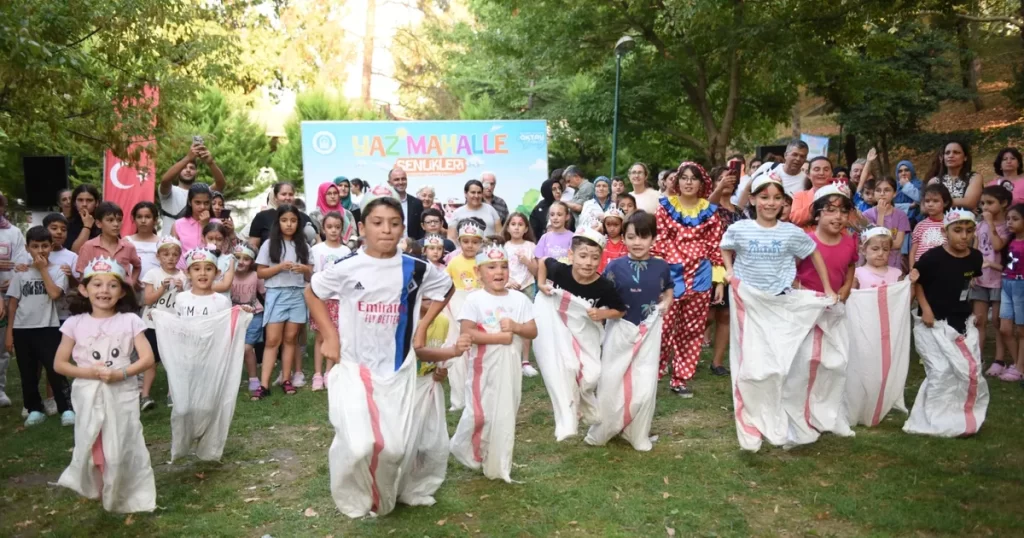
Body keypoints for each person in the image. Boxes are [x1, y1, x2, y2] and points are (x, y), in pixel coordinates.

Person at [306, 193, 454, 518]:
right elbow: (312, 292)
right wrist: (330, 336)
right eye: (377, 223)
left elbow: (447, 289)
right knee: (361, 444)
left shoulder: (416, 268)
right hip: (355, 368)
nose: (386, 230)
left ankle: (387, 494)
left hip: (398, 370)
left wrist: (422, 326)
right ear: (362, 227)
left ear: (403, 228)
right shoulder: (347, 267)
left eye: (394, 223)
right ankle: (355, 495)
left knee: (394, 448)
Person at [53, 257, 156, 513]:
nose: (104, 291)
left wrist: (121, 373)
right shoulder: (74, 324)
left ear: (121, 291)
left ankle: (126, 487)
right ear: (85, 289)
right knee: (92, 439)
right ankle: (102, 486)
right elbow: (60, 364)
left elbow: (147, 358)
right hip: (88, 392)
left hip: (121, 391)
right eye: (97, 284)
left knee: (122, 440)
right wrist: (89, 372)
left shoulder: (130, 321)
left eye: (112, 286)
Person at [452, 245, 537, 482]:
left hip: (509, 370)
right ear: (478, 273)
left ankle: (497, 463)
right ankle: (464, 446)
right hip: (483, 368)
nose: (499, 272)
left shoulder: (519, 299)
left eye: (504, 266)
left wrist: (516, 327)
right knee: (479, 414)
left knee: (504, 415)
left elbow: (532, 331)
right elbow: (467, 333)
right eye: (491, 267)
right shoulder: (474, 300)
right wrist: (499, 338)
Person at [652, 163, 726, 397]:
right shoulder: (665, 207)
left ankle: (680, 379)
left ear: (702, 183)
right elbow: (659, 241)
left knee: (692, 329)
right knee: (662, 327)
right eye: (683, 178)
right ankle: (654, 373)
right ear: (676, 182)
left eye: (693, 178)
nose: (688, 182)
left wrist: (720, 281)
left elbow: (716, 246)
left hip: (700, 276)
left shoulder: (710, 211)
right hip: (671, 275)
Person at [720, 174, 837, 299]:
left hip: (780, 295)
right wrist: (729, 269)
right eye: (764, 198)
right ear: (752, 199)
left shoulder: (791, 232)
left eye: (777, 198)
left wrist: (827, 288)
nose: (771, 203)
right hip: (745, 296)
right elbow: (725, 246)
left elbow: (813, 251)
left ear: (783, 201)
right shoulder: (739, 228)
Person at [6, 226, 72, 426]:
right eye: (35, 246)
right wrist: (9, 332)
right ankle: (34, 408)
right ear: (27, 248)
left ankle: (66, 408)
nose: (40, 250)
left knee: (55, 369)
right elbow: (13, 303)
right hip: (22, 329)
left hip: (48, 327)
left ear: (51, 247)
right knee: (27, 372)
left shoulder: (58, 272)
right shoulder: (20, 273)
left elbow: (54, 294)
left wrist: (43, 269)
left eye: (44, 246)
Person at [253, 205, 312, 399]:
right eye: (285, 220)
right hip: (276, 294)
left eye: (293, 221)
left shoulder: (304, 246)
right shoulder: (269, 244)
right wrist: (279, 267)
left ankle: (287, 379)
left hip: (297, 294)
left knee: (290, 339)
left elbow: (312, 275)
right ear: (278, 222)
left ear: (298, 223)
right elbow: (260, 272)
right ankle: (264, 385)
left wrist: (304, 269)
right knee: (272, 340)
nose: (289, 224)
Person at [913, 208, 982, 335]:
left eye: (969, 231)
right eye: (957, 230)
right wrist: (926, 309)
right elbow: (918, 283)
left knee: (960, 353)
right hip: (934, 316)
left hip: (960, 314)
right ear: (944, 232)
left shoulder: (976, 257)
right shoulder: (932, 257)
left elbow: (970, 279)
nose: (964, 236)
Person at [537, 227, 627, 318]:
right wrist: (541, 284)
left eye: (595, 258)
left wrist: (602, 313)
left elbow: (620, 311)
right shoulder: (560, 271)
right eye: (583, 256)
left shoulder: (605, 286)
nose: (589, 263)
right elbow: (543, 261)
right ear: (571, 255)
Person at [139, 236, 186, 410]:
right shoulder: (152, 274)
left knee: (172, 360)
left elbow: (186, 301)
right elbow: (147, 299)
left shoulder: (183, 276)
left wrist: (181, 289)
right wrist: (162, 288)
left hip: (173, 325)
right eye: (166, 254)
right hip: (152, 325)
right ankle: (145, 396)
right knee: (151, 361)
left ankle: (171, 393)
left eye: (175, 254)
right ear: (158, 256)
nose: (171, 258)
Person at [604, 210, 673, 328]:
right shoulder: (614, 267)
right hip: (618, 330)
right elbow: (602, 294)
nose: (637, 242)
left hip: (650, 330)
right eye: (631, 237)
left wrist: (667, 302)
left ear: (653, 239)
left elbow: (669, 288)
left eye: (643, 237)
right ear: (623, 238)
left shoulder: (662, 266)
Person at [707, 167, 745, 376]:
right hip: (710, 265)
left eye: (729, 179)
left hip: (734, 267)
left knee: (726, 315)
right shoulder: (707, 206)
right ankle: (684, 355)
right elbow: (709, 206)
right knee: (707, 316)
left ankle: (717, 362)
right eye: (720, 179)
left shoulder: (739, 212)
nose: (726, 182)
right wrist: (719, 188)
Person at [309, 212, 352, 392]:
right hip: (321, 298)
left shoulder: (347, 251)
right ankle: (317, 373)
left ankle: (329, 372)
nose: (333, 231)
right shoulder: (316, 250)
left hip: (339, 299)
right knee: (320, 336)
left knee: (334, 335)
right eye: (330, 227)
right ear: (323, 228)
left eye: (337, 227)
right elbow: (313, 273)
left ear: (342, 229)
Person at [795, 184, 858, 301]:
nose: (838, 216)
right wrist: (805, 292)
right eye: (831, 210)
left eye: (844, 211)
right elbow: (788, 273)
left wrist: (847, 286)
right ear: (817, 215)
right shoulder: (804, 242)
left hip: (835, 306)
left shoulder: (849, 242)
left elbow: (850, 264)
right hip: (806, 306)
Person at [973, 187, 1012, 375]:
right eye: (982, 203)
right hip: (980, 279)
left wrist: (990, 223)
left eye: (989, 203)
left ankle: (999, 360)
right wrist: (971, 272)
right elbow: (974, 250)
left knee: (997, 322)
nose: (985, 207)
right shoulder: (979, 225)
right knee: (979, 321)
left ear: (1003, 203)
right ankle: (977, 358)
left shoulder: (1008, 226)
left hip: (998, 280)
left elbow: (997, 246)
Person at [158, 141, 226, 233]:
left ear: (196, 172)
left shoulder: (203, 193)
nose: (188, 170)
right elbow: (165, 180)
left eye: (192, 168)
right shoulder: (170, 191)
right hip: (170, 243)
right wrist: (188, 157)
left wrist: (210, 163)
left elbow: (220, 184)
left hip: (194, 243)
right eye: (184, 167)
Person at [503, 212, 539, 377]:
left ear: (525, 228)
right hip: (509, 287)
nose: (516, 227)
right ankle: (509, 358)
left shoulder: (531, 246)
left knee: (526, 324)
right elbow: (500, 269)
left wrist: (527, 261)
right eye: (513, 224)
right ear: (508, 227)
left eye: (520, 224)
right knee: (508, 321)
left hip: (527, 287)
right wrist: (508, 280)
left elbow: (536, 271)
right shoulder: (504, 247)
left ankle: (525, 361)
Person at [74, 202, 142, 288]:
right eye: (110, 220)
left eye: (119, 220)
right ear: (98, 223)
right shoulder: (89, 246)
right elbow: (82, 275)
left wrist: (131, 283)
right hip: (99, 296)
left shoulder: (128, 247)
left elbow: (137, 266)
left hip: (123, 296)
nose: (116, 224)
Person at [231, 244, 265, 397]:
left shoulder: (255, 276)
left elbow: (265, 294)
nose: (241, 262)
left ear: (252, 261)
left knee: (246, 347)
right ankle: (234, 379)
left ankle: (253, 377)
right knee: (234, 348)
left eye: (246, 259)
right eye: (237, 258)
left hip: (254, 314)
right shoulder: (228, 275)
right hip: (233, 315)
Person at [247, 182, 317, 249]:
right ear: (275, 198)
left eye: (290, 194)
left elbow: (317, 243)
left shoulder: (304, 217)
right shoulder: (262, 217)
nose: (287, 198)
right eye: (283, 194)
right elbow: (252, 246)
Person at [863, 177, 911, 269]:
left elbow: (898, 244)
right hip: (872, 265)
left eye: (887, 190)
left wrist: (881, 244)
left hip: (894, 265)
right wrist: (881, 215)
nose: (882, 194)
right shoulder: (867, 215)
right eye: (878, 190)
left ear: (894, 193)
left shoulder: (901, 215)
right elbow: (875, 242)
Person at [787, 156, 843, 232]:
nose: (821, 173)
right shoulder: (800, 195)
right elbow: (795, 218)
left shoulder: (840, 195)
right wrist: (819, 203)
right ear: (808, 174)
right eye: (817, 169)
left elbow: (849, 220)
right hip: (807, 240)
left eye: (826, 170)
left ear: (831, 174)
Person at [170, 184, 217, 268]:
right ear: (189, 202)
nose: (202, 207)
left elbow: (218, 250)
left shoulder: (217, 223)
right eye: (197, 202)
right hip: (183, 274)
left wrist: (206, 226)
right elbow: (172, 253)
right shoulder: (178, 224)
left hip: (209, 273)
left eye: (206, 203)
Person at [927, 140, 983, 210]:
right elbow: (925, 207)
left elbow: (970, 202)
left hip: (968, 219)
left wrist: (937, 202)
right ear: (943, 158)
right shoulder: (934, 181)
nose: (951, 155)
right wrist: (960, 201)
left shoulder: (974, 177)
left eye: (956, 152)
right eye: (947, 153)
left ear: (965, 157)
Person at [909, 184, 954, 270]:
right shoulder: (920, 226)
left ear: (945, 203)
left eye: (935, 201)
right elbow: (913, 251)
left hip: (943, 270)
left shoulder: (951, 225)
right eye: (927, 201)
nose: (930, 204)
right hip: (921, 270)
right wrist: (912, 268)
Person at [744, 139, 810, 197]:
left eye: (802, 156)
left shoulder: (806, 181)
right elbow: (747, 189)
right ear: (785, 155)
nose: (798, 159)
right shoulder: (768, 167)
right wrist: (740, 210)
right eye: (795, 155)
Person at [310, 182, 357, 248]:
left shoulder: (347, 214)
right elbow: (315, 239)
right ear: (322, 195)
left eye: (335, 193)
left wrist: (346, 248)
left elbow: (354, 236)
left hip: (347, 251)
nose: (332, 196)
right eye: (329, 193)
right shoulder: (315, 215)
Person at [448, 220, 485, 292]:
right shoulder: (454, 262)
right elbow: (443, 281)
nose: (470, 246)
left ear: (481, 243)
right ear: (459, 242)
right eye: (465, 241)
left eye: (475, 242)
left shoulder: (485, 262)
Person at [387, 167, 425, 240]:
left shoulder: (417, 203)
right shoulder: (383, 202)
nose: (401, 182)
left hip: (412, 248)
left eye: (403, 179)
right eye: (396, 179)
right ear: (389, 183)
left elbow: (421, 229)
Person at [66, 184, 101, 253]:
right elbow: (75, 252)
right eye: (80, 200)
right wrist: (87, 227)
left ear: (97, 203)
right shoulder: (67, 224)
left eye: (89, 200)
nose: (84, 204)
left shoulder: (104, 223)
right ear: (74, 203)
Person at [530, 176, 563, 240]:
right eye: (554, 189)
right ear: (547, 191)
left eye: (559, 188)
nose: (558, 191)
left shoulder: (564, 206)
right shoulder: (539, 210)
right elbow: (533, 232)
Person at [598, 208, 627, 273]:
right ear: (604, 225)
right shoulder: (601, 241)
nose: (612, 229)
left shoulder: (625, 242)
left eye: (616, 225)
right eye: (608, 225)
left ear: (622, 225)